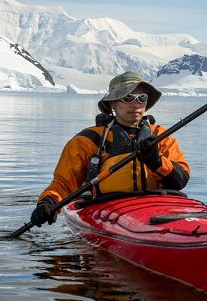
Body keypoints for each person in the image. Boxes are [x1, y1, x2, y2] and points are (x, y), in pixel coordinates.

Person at [30, 71, 190, 226]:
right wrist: (47, 202)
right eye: (128, 98)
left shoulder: (161, 136)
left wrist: (156, 161)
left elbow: (180, 180)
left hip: (156, 207)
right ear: (112, 103)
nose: (136, 104)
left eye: (142, 98)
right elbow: (64, 183)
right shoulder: (87, 141)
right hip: (106, 209)